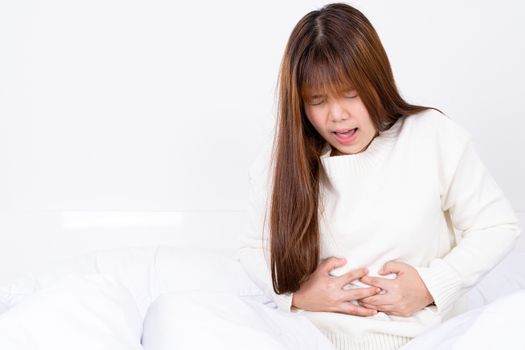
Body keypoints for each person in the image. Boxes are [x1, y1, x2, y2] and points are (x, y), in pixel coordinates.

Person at [237, 2, 522, 350]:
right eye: (317, 100)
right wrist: (297, 295)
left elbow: (497, 225)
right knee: (178, 313)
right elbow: (253, 248)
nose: (337, 115)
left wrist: (431, 285)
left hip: (428, 338)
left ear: (376, 82)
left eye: (351, 94)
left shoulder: (430, 135)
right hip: (311, 339)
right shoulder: (280, 161)